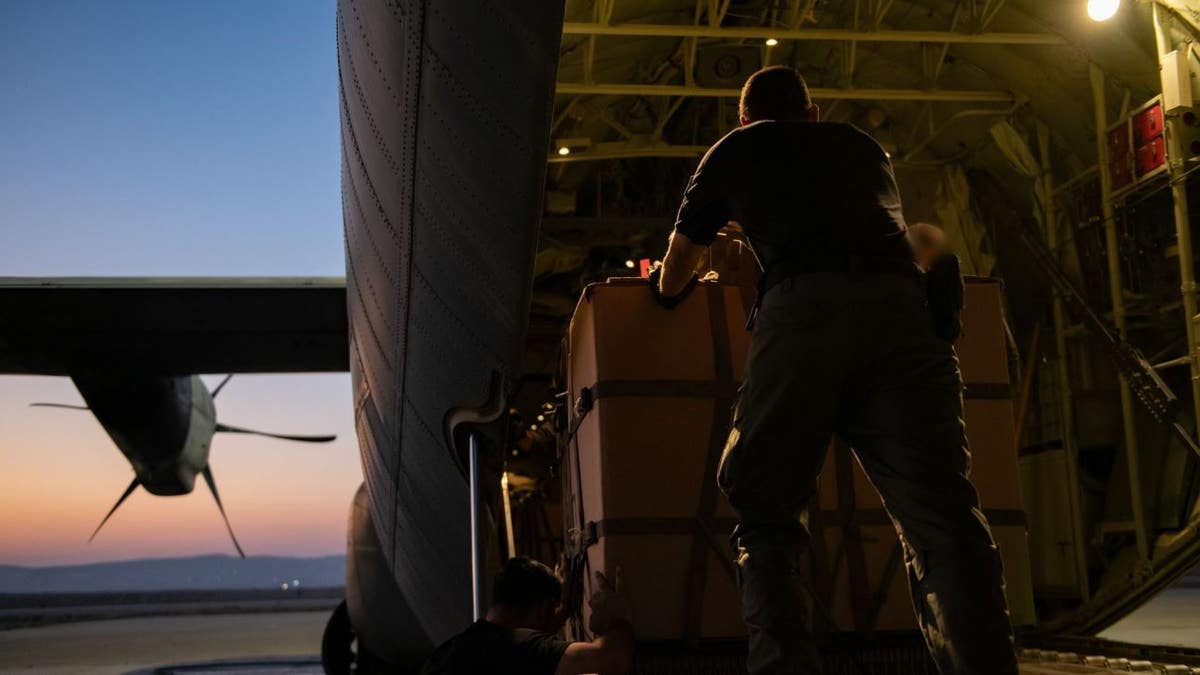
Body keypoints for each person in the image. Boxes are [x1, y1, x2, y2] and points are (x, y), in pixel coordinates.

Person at [651, 66, 1017, 674]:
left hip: (804, 317)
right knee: (943, 517)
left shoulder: (735, 148)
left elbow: (679, 260)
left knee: (767, 510)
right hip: (904, 316)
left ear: (745, 118)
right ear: (813, 113)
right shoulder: (861, 145)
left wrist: (667, 294)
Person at [420, 556, 634, 675]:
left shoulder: (451, 651)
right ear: (542, 609)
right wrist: (618, 616)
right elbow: (612, 659)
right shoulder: (520, 648)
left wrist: (560, 614)